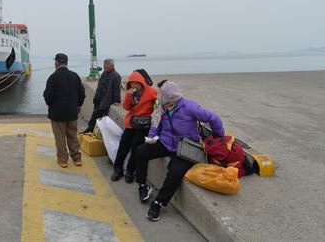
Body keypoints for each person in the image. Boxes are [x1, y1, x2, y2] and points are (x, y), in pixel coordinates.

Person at [135, 81, 224, 221]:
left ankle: (158, 203)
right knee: (141, 151)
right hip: (165, 142)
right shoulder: (162, 108)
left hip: (185, 147)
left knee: (175, 171)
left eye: (163, 95)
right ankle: (142, 185)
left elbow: (213, 118)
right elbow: (156, 124)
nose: (160, 98)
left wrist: (219, 137)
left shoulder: (189, 107)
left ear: (171, 97)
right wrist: (151, 137)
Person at [111, 70, 157, 183]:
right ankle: (118, 169)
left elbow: (159, 104)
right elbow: (126, 108)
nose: (134, 85)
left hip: (144, 124)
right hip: (132, 122)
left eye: (136, 83)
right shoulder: (130, 93)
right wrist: (128, 96)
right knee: (123, 145)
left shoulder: (151, 92)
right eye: (132, 83)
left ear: (141, 83)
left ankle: (130, 171)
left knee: (136, 146)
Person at [43, 53, 86, 168]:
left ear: (57, 63)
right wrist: (78, 105)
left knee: (60, 138)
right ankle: (77, 159)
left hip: (57, 114)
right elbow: (82, 93)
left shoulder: (53, 77)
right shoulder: (75, 76)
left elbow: (48, 96)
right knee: (73, 135)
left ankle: (63, 160)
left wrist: (50, 104)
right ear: (66, 63)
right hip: (72, 112)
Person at [82, 58, 121, 134]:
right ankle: (92, 131)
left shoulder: (116, 76)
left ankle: (89, 130)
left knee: (94, 118)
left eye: (107, 64)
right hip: (99, 100)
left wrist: (117, 101)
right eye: (104, 64)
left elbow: (117, 89)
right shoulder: (105, 73)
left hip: (105, 101)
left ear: (112, 66)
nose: (104, 66)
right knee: (96, 118)